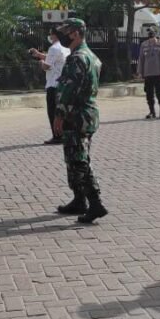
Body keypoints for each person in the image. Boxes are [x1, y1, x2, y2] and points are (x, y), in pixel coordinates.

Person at [53, 18, 107, 224]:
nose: (62, 36)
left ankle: (95, 203)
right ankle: (79, 199)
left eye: (65, 32)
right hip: (86, 114)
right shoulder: (92, 57)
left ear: (75, 33)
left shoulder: (77, 58)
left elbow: (69, 89)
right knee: (74, 157)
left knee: (79, 160)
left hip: (76, 115)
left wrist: (59, 114)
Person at [29, 28, 70, 144]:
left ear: (55, 36)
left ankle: (57, 136)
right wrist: (38, 54)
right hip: (62, 84)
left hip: (52, 84)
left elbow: (46, 66)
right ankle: (63, 134)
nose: (49, 36)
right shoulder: (65, 49)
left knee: (52, 112)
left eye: (50, 34)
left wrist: (41, 63)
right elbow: (54, 59)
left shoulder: (53, 48)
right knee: (61, 111)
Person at [137, 28, 160, 120]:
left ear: (155, 36)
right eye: (150, 39)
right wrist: (140, 72)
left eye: (153, 38)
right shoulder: (144, 45)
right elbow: (141, 59)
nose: (152, 41)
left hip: (158, 73)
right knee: (149, 94)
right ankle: (152, 112)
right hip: (148, 73)